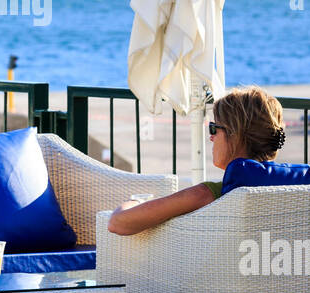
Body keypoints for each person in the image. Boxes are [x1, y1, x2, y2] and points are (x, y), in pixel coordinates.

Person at [107, 86, 287, 236]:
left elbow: (118, 223)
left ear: (235, 135)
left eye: (214, 128)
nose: (211, 138)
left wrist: (136, 202)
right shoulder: (294, 186)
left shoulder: (207, 195)